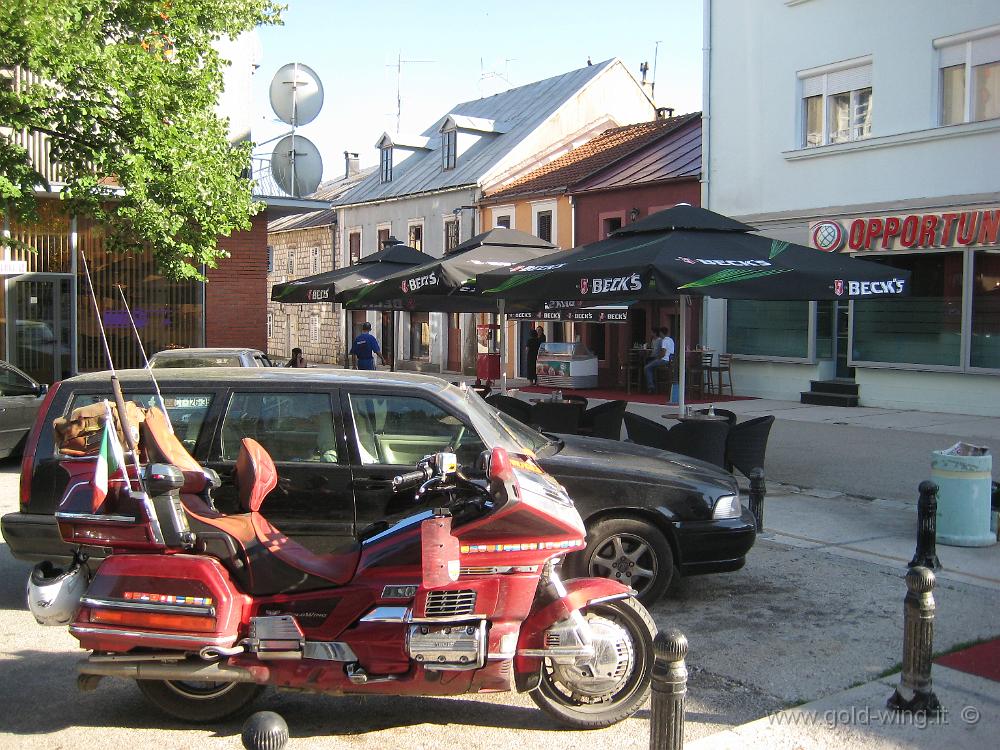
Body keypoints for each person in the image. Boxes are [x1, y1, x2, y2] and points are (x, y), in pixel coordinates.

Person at [645, 326, 676, 392]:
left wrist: (658, 357)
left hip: (664, 360)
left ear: (661, 333)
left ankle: (651, 386)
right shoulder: (671, 340)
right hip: (670, 360)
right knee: (651, 365)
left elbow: (663, 352)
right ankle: (652, 383)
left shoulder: (664, 341)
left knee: (647, 367)